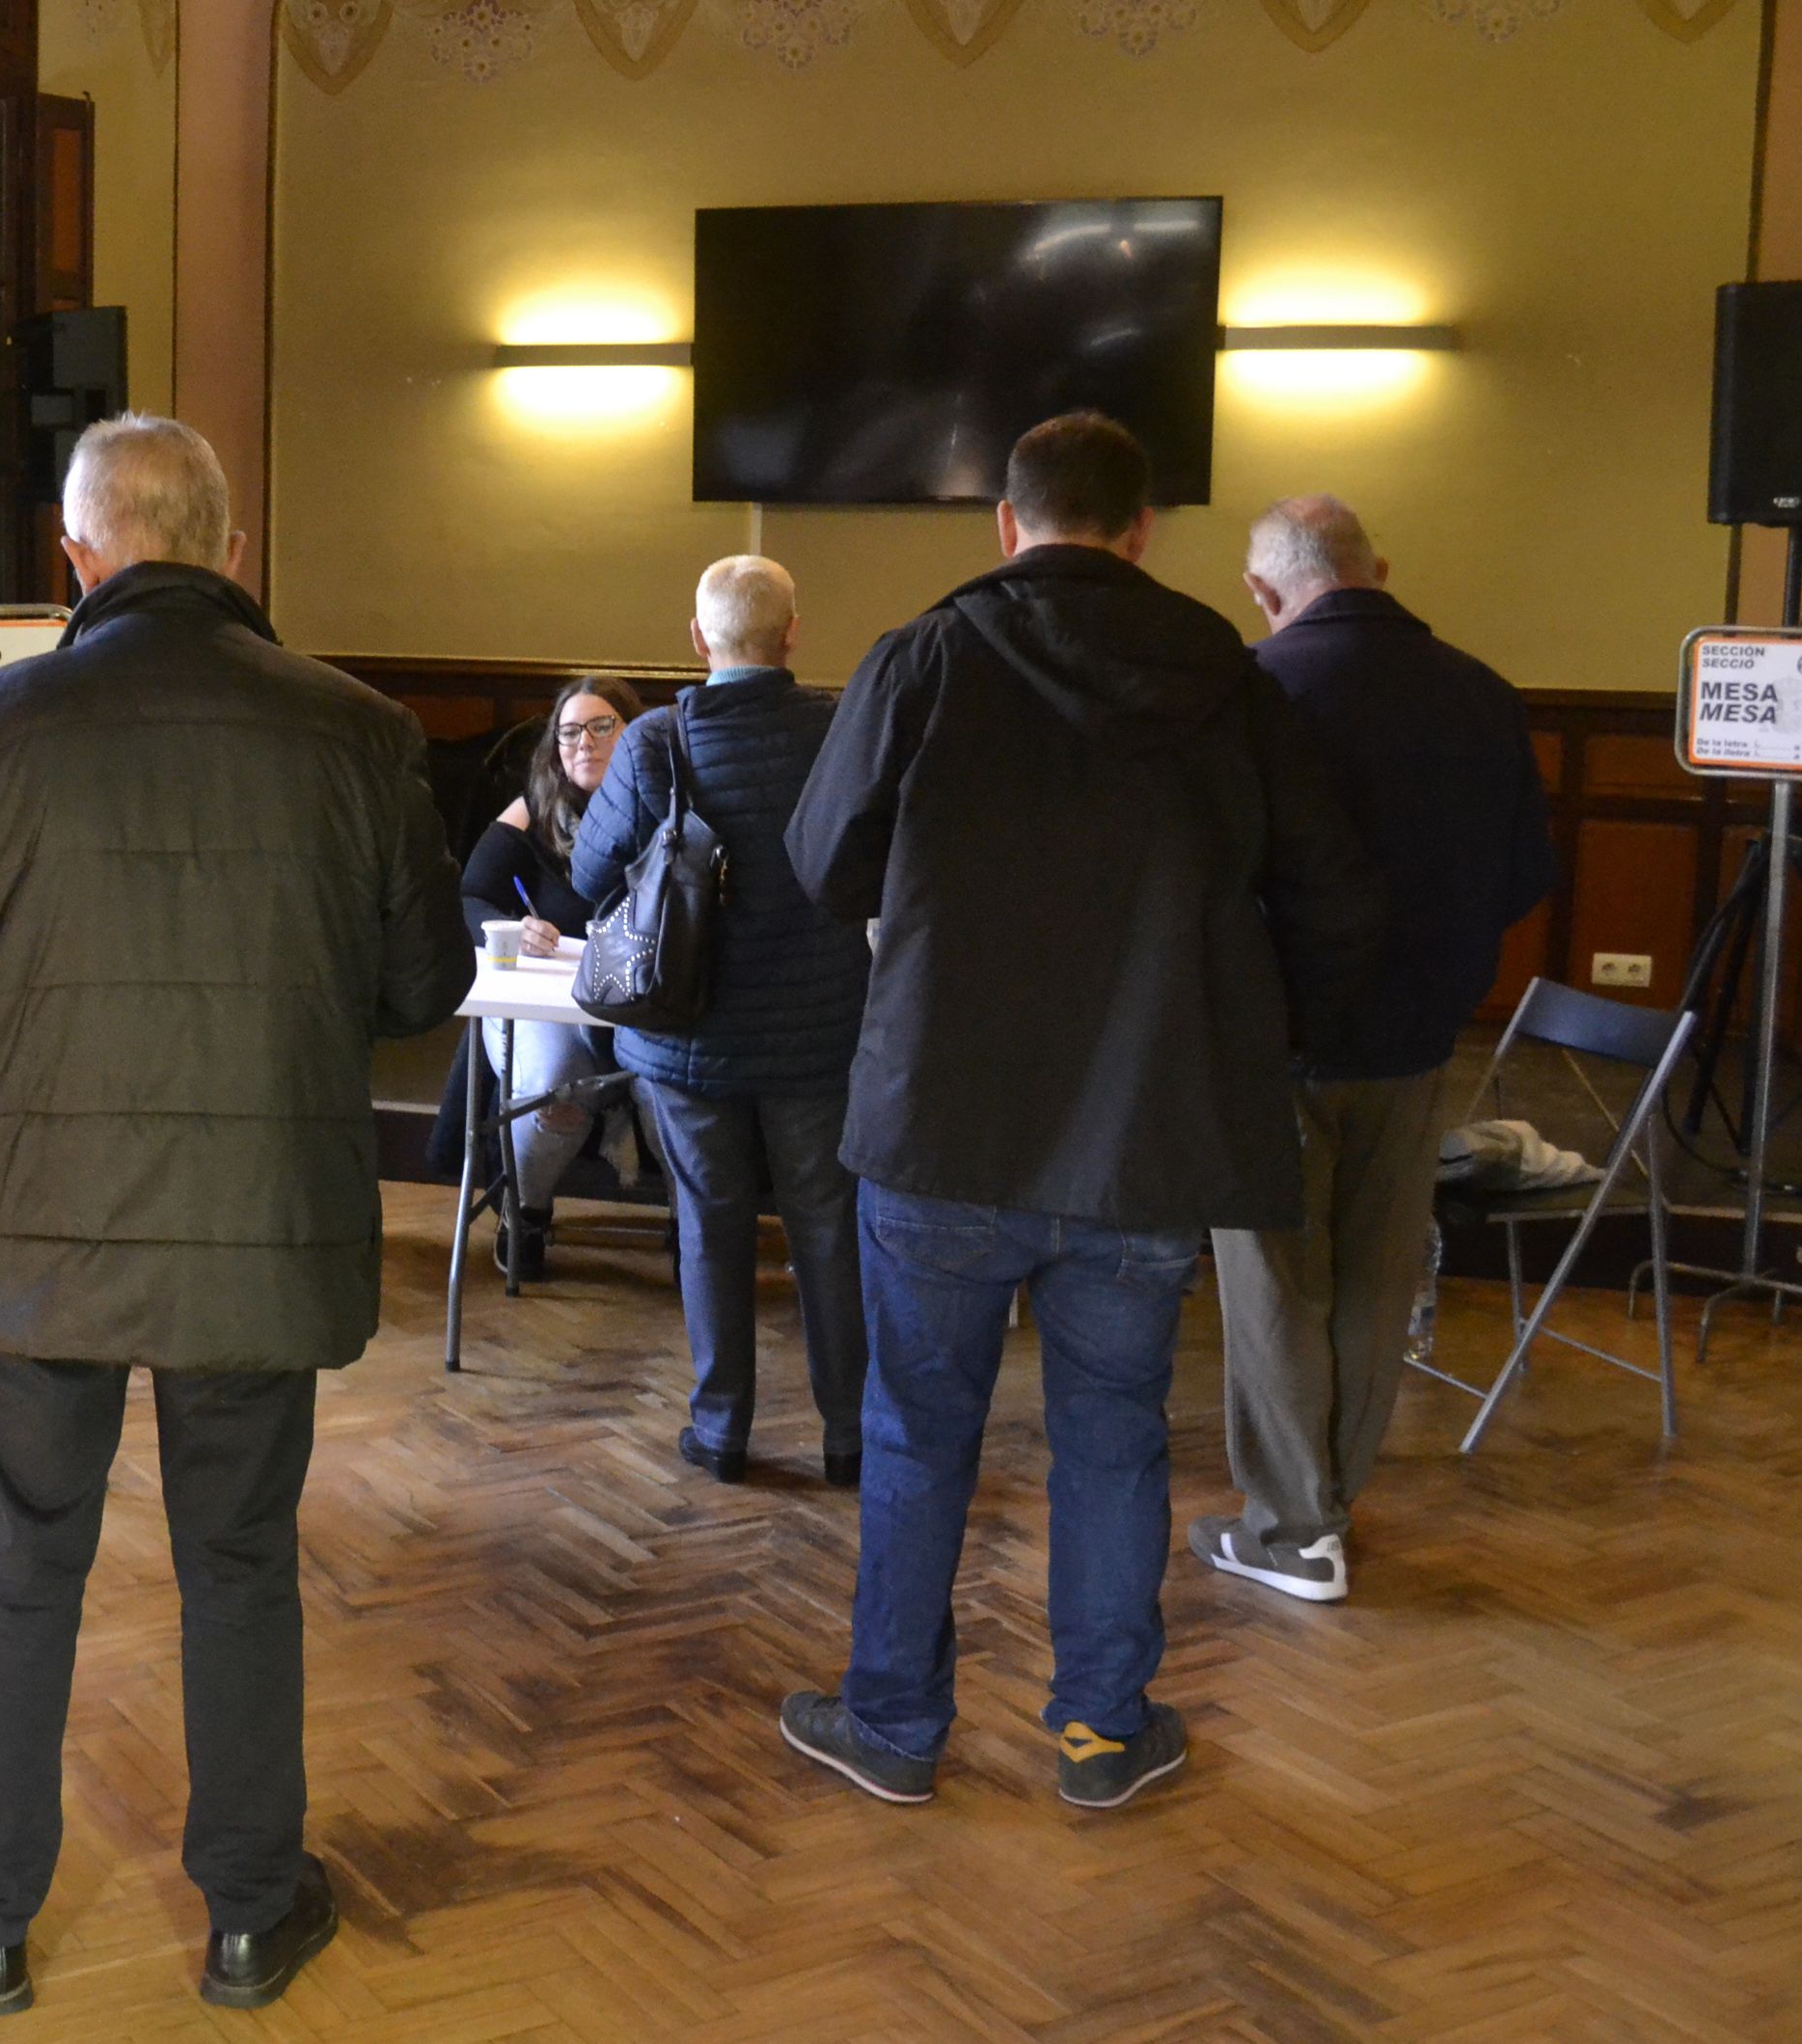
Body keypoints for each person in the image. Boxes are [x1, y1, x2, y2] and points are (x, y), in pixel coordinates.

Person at [0, 413, 469, 2016]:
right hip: (259, 1218)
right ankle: (253, 1911)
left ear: (75, 555)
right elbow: (423, 986)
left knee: (22, 1563)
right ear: (231, 549)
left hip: (33, 1228)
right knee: (242, 1558)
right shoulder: (355, 729)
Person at [779, 414, 1381, 1812]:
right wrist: (1244, 1012)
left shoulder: (920, 658)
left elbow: (820, 862)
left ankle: (891, 1727)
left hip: (938, 1124)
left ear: (1005, 522)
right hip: (1142, 1133)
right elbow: (1336, 899)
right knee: (1110, 1435)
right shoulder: (1228, 681)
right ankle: (1102, 1731)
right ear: (1141, 528)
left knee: (918, 1430)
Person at [1197, 497, 1554, 1602]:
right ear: (1378, 570)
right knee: (1370, 1273)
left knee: (1271, 1278)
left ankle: (1294, 1528)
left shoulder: (1250, 692)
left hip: (1271, 1038)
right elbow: (1523, 876)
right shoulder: (1479, 691)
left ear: (1262, 591)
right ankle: (1328, 1501)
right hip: (1412, 1037)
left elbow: (1210, 873)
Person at [569, 558, 872, 1486]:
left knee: (710, 1224)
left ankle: (721, 1428)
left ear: (698, 640)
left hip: (687, 1034)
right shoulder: (841, 729)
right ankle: (849, 1435)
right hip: (820, 1031)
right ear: (791, 633)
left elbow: (588, 876)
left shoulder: (658, 739)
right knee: (827, 1225)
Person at [459, 676, 642, 1277]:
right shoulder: (534, 810)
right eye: (568, 732)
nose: (582, 743)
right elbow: (471, 896)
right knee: (553, 1085)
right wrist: (512, 928)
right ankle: (527, 1209)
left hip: (639, 1001)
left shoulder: (664, 803)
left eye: (600, 726)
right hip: (547, 1001)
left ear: (633, 730)